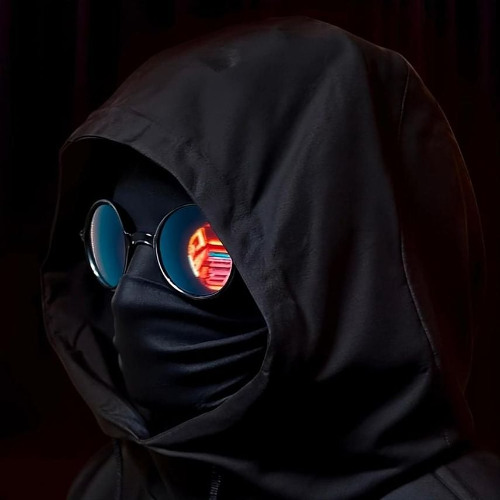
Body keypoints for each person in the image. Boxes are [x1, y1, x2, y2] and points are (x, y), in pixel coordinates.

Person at [40, 15, 500, 499]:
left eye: (207, 252)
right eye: (113, 246)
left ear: (339, 263)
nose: (131, 299)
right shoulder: (111, 485)